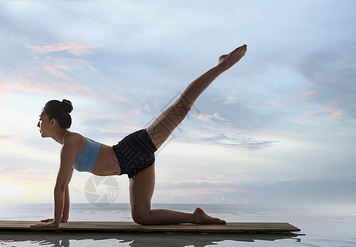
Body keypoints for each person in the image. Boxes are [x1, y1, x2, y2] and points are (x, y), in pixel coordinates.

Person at [31, 45, 247, 228]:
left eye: (41, 118)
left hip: (132, 149)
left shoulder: (71, 141)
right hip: (132, 168)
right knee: (142, 217)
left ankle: (223, 64)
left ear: (53, 122)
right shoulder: (69, 144)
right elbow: (65, 185)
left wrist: (55, 224)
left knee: (181, 107)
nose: (38, 124)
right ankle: (195, 217)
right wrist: (62, 218)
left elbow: (59, 186)